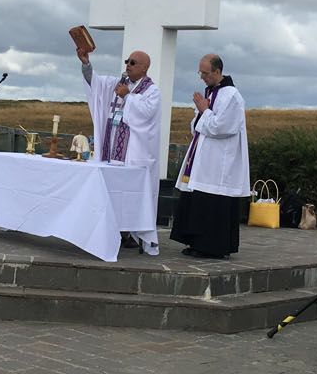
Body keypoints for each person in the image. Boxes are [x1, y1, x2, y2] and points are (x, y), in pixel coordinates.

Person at [77, 46, 162, 255]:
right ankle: (111, 229)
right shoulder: (116, 84)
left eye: (133, 63)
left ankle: (132, 233)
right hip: (111, 151)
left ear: (145, 68)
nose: (128, 66)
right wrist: (86, 63)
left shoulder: (152, 91)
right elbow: (94, 83)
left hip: (133, 154)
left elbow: (146, 114)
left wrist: (128, 97)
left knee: (131, 194)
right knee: (110, 191)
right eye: (127, 61)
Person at [169, 53, 250, 259]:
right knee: (197, 199)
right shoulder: (211, 92)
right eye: (200, 72)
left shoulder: (231, 95)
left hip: (219, 162)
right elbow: (198, 124)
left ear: (217, 71)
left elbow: (222, 127)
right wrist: (201, 113)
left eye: (205, 73)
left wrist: (204, 110)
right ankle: (196, 242)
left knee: (212, 202)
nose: (202, 77)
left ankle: (212, 246)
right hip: (202, 158)